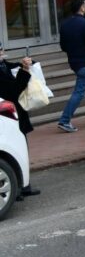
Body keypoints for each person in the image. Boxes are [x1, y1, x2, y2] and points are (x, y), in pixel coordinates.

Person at [0, 45, 39, 198]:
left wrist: (27, 63)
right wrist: (24, 70)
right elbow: (13, 90)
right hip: (7, 117)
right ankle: (19, 188)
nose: (3, 51)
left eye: (2, 47)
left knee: (21, 150)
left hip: (15, 115)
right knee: (15, 151)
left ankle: (24, 186)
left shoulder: (3, 65)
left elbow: (13, 66)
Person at [57, 0, 85, 133]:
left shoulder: (65, 24)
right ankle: (64, 120)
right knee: (80, 91)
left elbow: (63, 46)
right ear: (82, 7)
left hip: (75, 62)